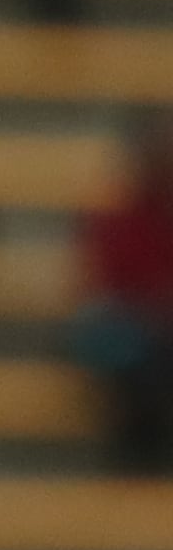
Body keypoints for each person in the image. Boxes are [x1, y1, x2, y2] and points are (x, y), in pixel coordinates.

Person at [74, 111, 173, 478]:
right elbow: (106, 289)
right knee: (123, 342)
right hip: (134, 333)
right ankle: (139, 448)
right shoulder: (116, 221)